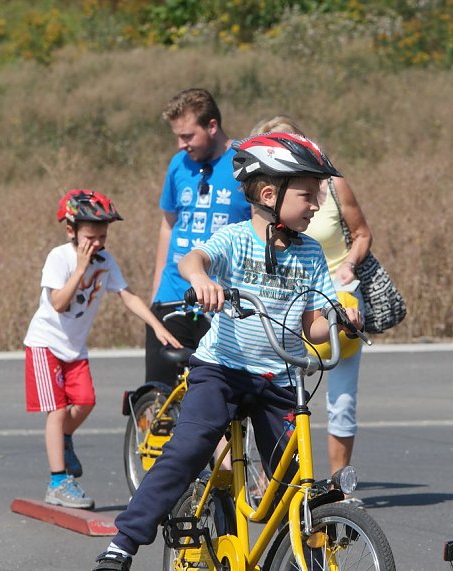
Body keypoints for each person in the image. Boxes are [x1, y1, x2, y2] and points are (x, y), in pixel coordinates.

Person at [91, 133, 363, 571]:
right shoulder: (235, 239)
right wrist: (202, 280)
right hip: (223, 370)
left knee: (296, 481)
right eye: (307, 196)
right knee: (190, 446)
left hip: (281, 378)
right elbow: (192, 260)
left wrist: (339, 319)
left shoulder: (311, 252)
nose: (316, 205)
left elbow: (311, 322)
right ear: (270, 195)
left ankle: (308, 559)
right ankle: (122, 544)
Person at [24, 189, 181, 510]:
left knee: (85, 402)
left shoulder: (106, 261)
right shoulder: (60, 258)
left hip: (74, 349)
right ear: (71, 231)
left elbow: (128, 295)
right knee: (57, 410)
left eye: (103, 236)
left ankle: (64, 440)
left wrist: (157, 325)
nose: (97, 244)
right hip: (45, 344)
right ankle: (58, 481)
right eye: (90, 237)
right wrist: (80, 268)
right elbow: (57, 303)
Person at [250, 116, 372, 482]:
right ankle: (280, 481)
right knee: (274, 396)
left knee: (342, 402)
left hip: (338, 296)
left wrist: (350, 264)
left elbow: (362, 233)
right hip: (285, 302)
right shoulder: (265, 196)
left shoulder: (334, 186)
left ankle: (340, 485)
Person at [146, 88, 251, 386]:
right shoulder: (178, 164)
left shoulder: (244, 163)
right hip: (172, 296)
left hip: (220, 301)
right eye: (178, 137)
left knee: (215, 401)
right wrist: (157, 290)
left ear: (212, 126)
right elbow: (168, 225)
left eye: (188, 136)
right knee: (159, 395)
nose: (182, 145)